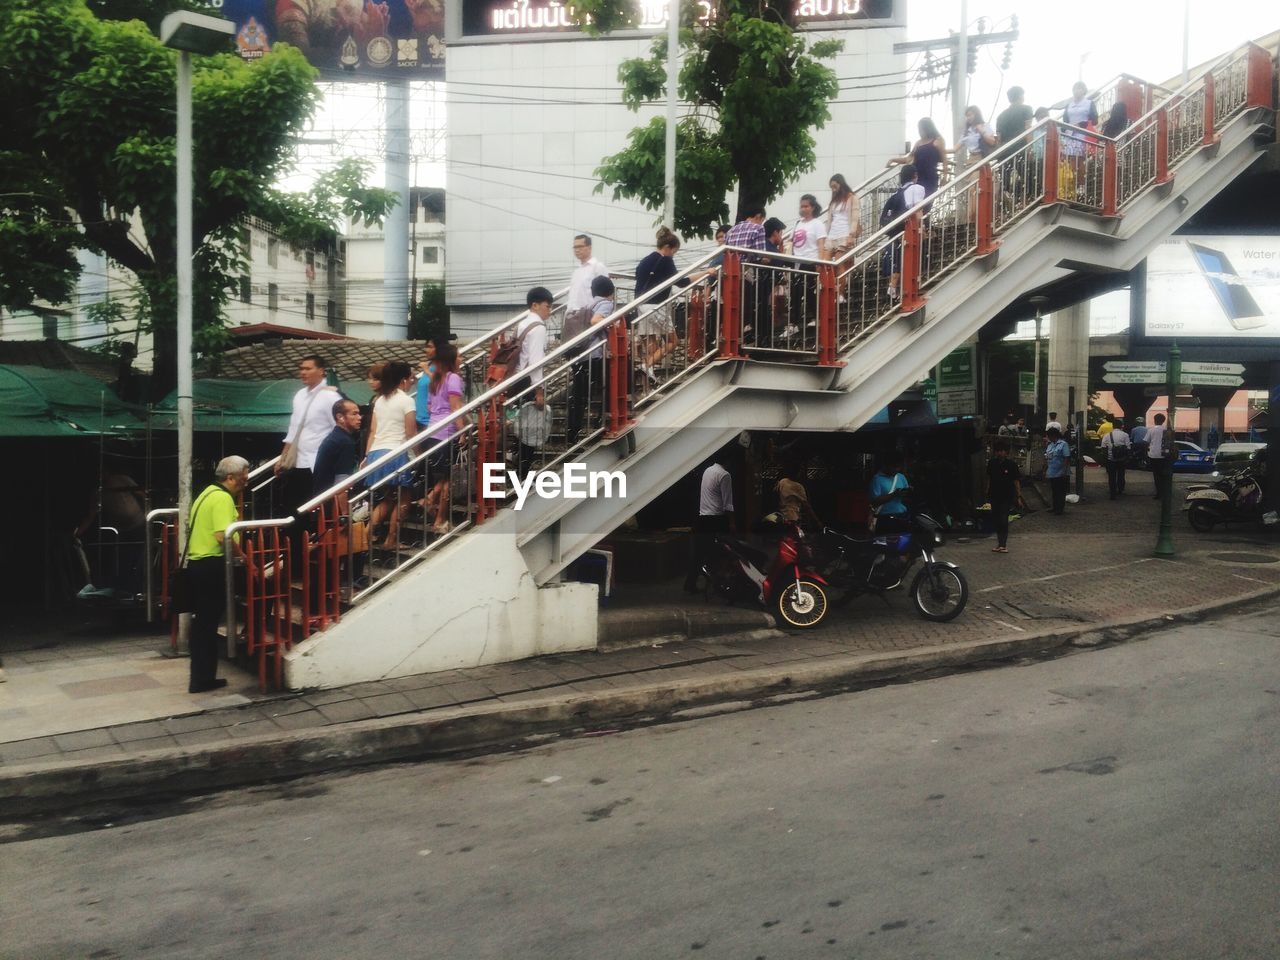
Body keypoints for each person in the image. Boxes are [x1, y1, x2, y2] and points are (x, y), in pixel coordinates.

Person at [185, 456, 250, 693]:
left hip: (197, 564)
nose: (247, 478)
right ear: (230, 477)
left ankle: (202, 676)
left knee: (203, 623)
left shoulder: (206, 494)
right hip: (210, 565)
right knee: (207, 623)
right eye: (244, 473)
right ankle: (201, 679)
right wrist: (244, 558)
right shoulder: (222, 498)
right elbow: (223, 536)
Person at [274, 354, 339, 519]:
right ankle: (299, 543)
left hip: (317, 461)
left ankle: (314, 541)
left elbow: (338, 428)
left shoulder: (330, 396)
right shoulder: (299, 395)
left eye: (308, 369)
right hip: (297, 461)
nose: (303, 372)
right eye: (301, 368)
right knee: (295, 507)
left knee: (316, 507)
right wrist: (283, 456)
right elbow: (293, 428)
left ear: (321, 371)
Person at [363, 360, 417, 550]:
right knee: (404, 498)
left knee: (387, 499)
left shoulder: (379, 400)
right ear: (404, 379)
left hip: (377, 453)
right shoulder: (406, 400)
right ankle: (391, 539)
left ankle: (366, 535)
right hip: (396, 453)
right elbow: (410, 433)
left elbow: (372, 431)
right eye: (411, 377)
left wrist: (366, 456)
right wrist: (419, 453)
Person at [421, 343, 466, 536]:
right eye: (458, 356)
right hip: (447, 433)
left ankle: (430, 500)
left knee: (443, 476)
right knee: (449, 479)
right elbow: (456, 409)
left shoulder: (435, 379)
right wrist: (462, 431)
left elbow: (430, 407)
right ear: (451, 359)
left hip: (432, 432)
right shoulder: (454, 378)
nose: (461, 359)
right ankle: (439, 517)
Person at [565, 275, 614, 445]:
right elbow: (596, 320)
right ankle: (601, 421)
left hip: (580, 356)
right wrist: (613, 322)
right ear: (611, 292)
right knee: (610, 386)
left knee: (578, 396)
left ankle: (572, 434)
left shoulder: (587, 305)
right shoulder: (606, 303)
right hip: (595, 356)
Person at [634, 226, 683, 383]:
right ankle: (646, 365)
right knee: (673, 341)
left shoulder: (644, 261)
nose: (673, 255)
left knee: (652, 344)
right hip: (655, 306)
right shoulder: (666, 260)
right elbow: (682, 281)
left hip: (640, 305)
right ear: (668, 247)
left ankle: (649, 378)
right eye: (674, 252)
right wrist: (705, 273)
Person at [683, 453, 735, 593]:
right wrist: (732, 523)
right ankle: (720, 583)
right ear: (728, 460)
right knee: (725, 552)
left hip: (702, 518)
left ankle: (690, 585)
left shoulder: (708, 470)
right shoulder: (725, 475)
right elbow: (727, 504)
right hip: (716, 519)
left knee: (699, 554)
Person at [879, 165, 927, 300]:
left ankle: (893, 289)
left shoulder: (895, 195)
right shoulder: (917, 188)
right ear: (915, 175)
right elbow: (917, 211)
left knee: (895, 259)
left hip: (895, 234)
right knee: (911, 259)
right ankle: (904, 290)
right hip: (908, 232)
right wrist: (922, 229)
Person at [787, 193, 827, 336]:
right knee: (795, 293)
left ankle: (815, 317)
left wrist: (819, 263)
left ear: (813, 207)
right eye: (802, 206)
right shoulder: (798, 223)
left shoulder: (817, 224)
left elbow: (821, 245)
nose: (803, 209)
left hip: (810, 261)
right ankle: (793, 323)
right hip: (797, 262)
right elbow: (792, 242)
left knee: (809, 292)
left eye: (806, 206)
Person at [313, 398, 363, 495]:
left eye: (359, 413)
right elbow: (341, 481)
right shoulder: (344, 442)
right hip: (332, 502)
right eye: (354, 414)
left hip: (322, 498)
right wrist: (344, 510)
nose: (359, 417)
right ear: (340, 417)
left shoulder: (335, 437)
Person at [887, 118, 947, 197]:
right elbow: (908, 158)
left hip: (929, 177)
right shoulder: (918, 143)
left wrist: (945, 176)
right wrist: (893, 160)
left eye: (921, 129)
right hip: (915, 177)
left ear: (927, 128)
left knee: (925, 202)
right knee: (913, 203)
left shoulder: (938, 141)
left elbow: (944, 160)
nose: (919, 131)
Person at [985, 440, 1024, 553]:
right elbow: (989, 478)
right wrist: (987, 491)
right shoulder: (992, 463)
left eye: (1002, 451)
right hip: (994, 494)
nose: (1000, 453)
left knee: (1003, 519)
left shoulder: (1011, 465)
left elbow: (1016, 481)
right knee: (996, 519)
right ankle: (999, 543)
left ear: (1006, 452)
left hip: (1007, 496)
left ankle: (1003, 544)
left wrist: (1018, 496)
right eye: (998, 451)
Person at [1060, 81, 1099, 191]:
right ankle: (1071, 185)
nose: (1077, 91)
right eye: (1075, 89)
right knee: (1070, 160)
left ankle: (1081, 185)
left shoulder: (1089, 103)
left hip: (1083, 134)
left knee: (1080, 159)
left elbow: (1094, 120)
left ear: (1084, 90)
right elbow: (1065, 121)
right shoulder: (1069, 105)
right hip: (1070, 134)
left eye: (1080, 88)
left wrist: (1082, 124)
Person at [567, 233, 610, 319]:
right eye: (575, 247)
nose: (577, 250)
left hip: (589, 315)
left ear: (589, 248)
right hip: (572, 316)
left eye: (580, 247)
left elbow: (606, 295)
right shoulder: (577, 271)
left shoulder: (597, 267)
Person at [869, 451, 911, 534]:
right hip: (884, 519)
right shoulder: (877, 479)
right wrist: (893, 494)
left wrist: (907, 493)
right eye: (894, 467)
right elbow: (874, 501)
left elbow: (906, 499)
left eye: (899, 467)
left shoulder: (901, 477)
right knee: (883, 545)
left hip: (902, 516)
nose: (897, 469)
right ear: (886, 465)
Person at [825, 174, 860, 261]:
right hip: (832, 235)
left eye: (835, 186)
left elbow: (855, 219)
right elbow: (830, 220)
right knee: (824, 263)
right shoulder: (834, 201)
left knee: (839, 264)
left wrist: (851, 235)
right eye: (831, 187)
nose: (833, 189)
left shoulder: (852, 198)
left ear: (841, 184)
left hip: (844, 234)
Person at [954, 105, 997, 173]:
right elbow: (955, 149)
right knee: (971, 181)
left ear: (976, 114)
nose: (968, 118)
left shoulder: (985, 126)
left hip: (981, 157)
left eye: (970, 115)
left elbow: (992, 142)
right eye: (967, 116)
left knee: (977, 180)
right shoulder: (967, 132)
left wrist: (981, 130)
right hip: (971, 159)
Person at [1101, 416, 1131, 499]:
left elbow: (1103, 448)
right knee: (1121, 474)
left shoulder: (1107, 435)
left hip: (1111, 459)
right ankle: (1120, 489)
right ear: (1121, 426)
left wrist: (1105, 459)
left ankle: (1112, 493)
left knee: (1111, 476)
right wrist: (1127, 458)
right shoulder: (1125, 435)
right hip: (1122, 459)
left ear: (1113, 426)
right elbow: (1128, 447)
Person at [1045, 426, 1072, 514]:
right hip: (1052, 472)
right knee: (1054, 491)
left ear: (1053, 436)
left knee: (1060, 491)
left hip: (1060, 472)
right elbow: (1047, 457)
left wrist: (1064, 471)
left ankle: (1060, 508)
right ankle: (1055, 507)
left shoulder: (1063, 444)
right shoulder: (1050, 445)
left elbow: (1066, 458)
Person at [414, 339, 439, 431]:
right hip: (419, 419)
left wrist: (426, 370)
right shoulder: (430, 366)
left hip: (430, 422)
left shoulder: (441, 367)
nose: (426, 350)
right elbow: (425, 388)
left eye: (430, 347)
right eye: (427, 347)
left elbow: (441, 385)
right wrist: (415, 379)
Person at [1146, 412, 1171, 499]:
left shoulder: (1151, 430)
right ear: (1163, 421)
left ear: (1154, 420)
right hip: (1164, 455)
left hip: (1153, 455)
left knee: (1156, 475)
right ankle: (1165, 492)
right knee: (1164, 475)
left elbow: (1146, 441)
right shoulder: (1166, 430)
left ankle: (1159, 493)